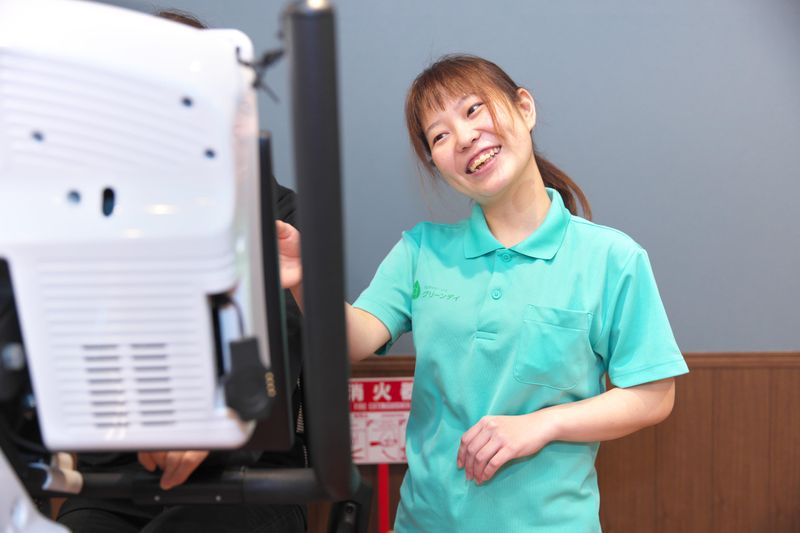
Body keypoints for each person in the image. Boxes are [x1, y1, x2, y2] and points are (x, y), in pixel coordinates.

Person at [276, 54, 689, 532]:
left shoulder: (612, 258)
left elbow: (654, 395)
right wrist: (308, 279)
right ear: (437, 164)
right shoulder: (421, 251)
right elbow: (351, 342)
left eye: (473, 110)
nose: (465, 137)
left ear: (525, 109)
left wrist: (543, 424)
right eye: (440, 135)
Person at [54, 11, 309, 532]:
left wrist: (214, 420)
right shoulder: (102, 216)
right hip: (120, 479)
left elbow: (280, 340)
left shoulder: (280, 215)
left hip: (249, 476)